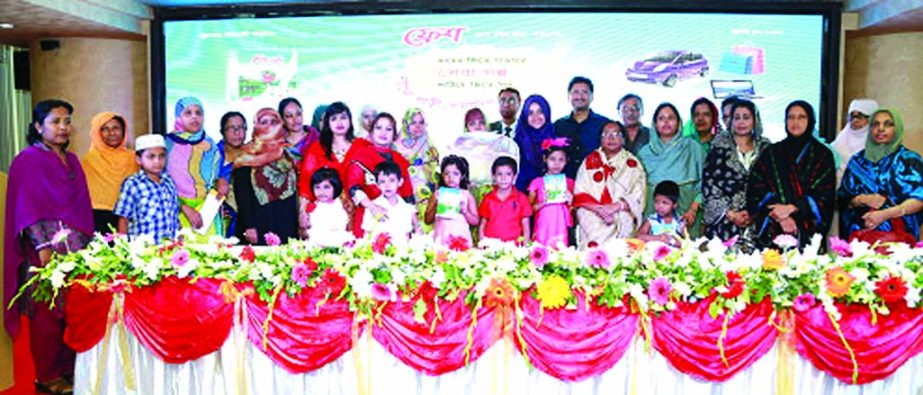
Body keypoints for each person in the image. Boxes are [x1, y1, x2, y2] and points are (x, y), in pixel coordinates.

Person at [4, 99, 93, 395]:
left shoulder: (74, 161)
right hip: (44, 251)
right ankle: (48, 375)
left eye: (67, 121)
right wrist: (43, 246)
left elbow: (81, 208)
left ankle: (70, 370)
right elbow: (26, 207)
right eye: (56, 121)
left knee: (74, 311)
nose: (63, 127)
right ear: (39, 126)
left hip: (76, 249)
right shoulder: (27, 160)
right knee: (47, 315)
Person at [747, 100, 836, 249]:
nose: (795, 122)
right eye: (791, 117)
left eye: (801, 117)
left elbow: (825, 195)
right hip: (773, 230)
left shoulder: (822, 155)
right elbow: (756, 189)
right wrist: (780, 216)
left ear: (811, 121)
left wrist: (793, 207)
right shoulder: (771, 153)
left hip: (807, 233)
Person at [838, 108, 923, 240]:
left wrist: (885, 214)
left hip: (899, 240)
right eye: (875, 124)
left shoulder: (909, 160)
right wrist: (861, 200)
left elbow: (919, 199)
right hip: (859, 237)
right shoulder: (857, 161)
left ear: (897, 129)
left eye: (888, 124)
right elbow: (842, 199)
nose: (881, 129)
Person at [703, 100, 771, 249]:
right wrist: (731, 214)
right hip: (726, 222)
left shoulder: (767, 148)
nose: (741, 122)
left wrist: (753, 212)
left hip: (758, 222)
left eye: (746, 117)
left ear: (755, 120)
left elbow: (773, 185)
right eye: (737, 117)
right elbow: (709, 185)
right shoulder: (718, 147)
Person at [637, 103, 706, 238]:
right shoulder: (645, 152)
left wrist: (693, 208)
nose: (666, 122)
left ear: (679, 122)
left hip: (686, 208)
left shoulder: (693, 148)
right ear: (655, 124)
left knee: (687, 252)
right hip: (654, 207)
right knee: (653, 252)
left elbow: (706, 182)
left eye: (671, 118)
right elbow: (637, 185)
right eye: (661, 118)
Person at [574, 121, 646, 248]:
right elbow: (580, 194)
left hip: (620, 212)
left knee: (624, 219)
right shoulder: (589, 161)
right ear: (600, 139)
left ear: (624, 139)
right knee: (586, 216)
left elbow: (638, 196)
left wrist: (615, 206)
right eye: (605, 134)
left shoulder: (633, 164)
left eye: (616, 134)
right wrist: (599, 210)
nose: (611, 138)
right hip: (593, 211)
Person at [232, 108, 298, 245]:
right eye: (264, 122)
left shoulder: (290, 153)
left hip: (286, 219)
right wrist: (249, 225)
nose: (269, 126)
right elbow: (242, 195)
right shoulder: (246, 154)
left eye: (274, 122)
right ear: (256, 126)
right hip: (257, 221)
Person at [165, 97, 227, 238]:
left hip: (206, 211)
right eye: (188, 113)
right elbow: (160, 182)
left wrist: (221, 181)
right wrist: (183, 206)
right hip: (177, 211)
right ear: (178, 117)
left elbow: (215, 176)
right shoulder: (167, 144)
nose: (194, 117)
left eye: (198, 113)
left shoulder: (211, 146)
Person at [345, 112, 414, 238]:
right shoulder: (360, 155)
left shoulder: (400, 161)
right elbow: (353, 188)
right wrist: (373, 207)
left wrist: (416, 227)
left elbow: (408, 196)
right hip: (369, 216)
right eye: (378, 128)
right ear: (370, 133)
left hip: (397, 219)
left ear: (394, 135)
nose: (383, 132)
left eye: (388, 129)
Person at [297, 102, 356, 237]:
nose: (339, 122)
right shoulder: (316, 149)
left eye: (343, 117)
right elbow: (306, 184)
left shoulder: (362, 146)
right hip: (326, 213)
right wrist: (303, 211)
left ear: (350, 121)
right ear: (327, 123)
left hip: (359, 210)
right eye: (334, 119)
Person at [114, 134, 180, 243]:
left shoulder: (169, 182)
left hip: (169, 249)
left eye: (162, 156)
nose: (157, 161)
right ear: (138, 159)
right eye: (151, 156)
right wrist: (123, 245)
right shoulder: (132, 184)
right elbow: (123, 219)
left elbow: (173, 215)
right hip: (143, 252)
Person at [81, 112, 139, 234]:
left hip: (130, 214)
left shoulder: (134, 158)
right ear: (97, 132)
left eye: (116, 128)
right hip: (98, 215)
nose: (111, 133)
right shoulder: (89, 160)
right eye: (105, 129)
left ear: (123, 130)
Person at [554, 76, 611, 178]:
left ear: (592, 96)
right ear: (569, 96)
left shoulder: (604, 124)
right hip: (565, 183)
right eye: (575, 92)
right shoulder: (558, 125)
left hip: (595, 183)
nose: (580, 96)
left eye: (584, 92)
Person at [394, 108, 440, 227]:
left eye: (421, 122)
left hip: (424, 190)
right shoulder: (395, 145)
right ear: (406, 124)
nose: (418, 126)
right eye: (413, 122)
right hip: (403, 189)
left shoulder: (428, 142)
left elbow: (435, 166)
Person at [361, 161, 421, 248]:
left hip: (401, 253)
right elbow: (367, 234)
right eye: (382, 182)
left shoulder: (407, 208)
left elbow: (407, 235)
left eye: (392, 180)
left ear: (400, 182)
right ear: (377, 184)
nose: (387, 185)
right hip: (378, 255)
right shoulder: (372, 207)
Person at [528, 138, 574, 248]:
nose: (556, 163)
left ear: (566, 161)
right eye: (552, 159)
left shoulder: (570, 182)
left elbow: (575, 211)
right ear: (545, 159)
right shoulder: (537, 182)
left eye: (561, 159)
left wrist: (571, 201)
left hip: (561, 224)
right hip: (543, 224)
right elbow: (528, 210)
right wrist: (542, 203)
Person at [425, 155, 479, 247]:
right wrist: (435, 207)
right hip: (441, 238)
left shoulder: (466, 195)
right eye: (447, 174)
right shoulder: (437, 194)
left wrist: (465, 212)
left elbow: (475, 221)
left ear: (462, 175)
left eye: (455, 173)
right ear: (442, 175)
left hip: (460, 239)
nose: (451, 177)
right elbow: (427, 220)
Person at [478, 156, 532, 243]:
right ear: (494, 176)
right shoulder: (488, 198)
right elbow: (482, 225)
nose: (503, 178)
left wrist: (526, 247)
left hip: (514, 247)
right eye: (499, 174)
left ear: (515, 177)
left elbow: (526, 227)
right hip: (491, 246)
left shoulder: (522, 198)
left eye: (508, 174)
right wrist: (482, 244)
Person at [514, 94, 557, 192]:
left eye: (540, 111)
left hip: (551, 197)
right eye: (530, 113)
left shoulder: (556, 141)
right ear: (525, 116)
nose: (536, 117)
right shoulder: (516, 144)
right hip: (522, 197)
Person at [832, 98, 879, 182]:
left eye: (860, 116)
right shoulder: (840, 140)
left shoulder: (879, 145)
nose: (855, 120)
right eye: (852, 116)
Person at [305, 167, 353, 247]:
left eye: (326, 187)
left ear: (336, 187)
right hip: (316, 243)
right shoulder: (315, 206)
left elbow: (339, 228)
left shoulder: (339, 207)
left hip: (336, 243)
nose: (321, 191)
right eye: (317, 187)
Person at [217, 111, 247, 238]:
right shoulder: (211, 153)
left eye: (241, 128)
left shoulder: (251, 155)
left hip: (244, 219)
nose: (237, 132)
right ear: (222, 131)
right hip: (215, 215)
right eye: (231, 128)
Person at [637, 181, 686, 246]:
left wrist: (673, 241)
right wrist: (658, 238)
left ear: (675, 205)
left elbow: (687, 242)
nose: (659, 206)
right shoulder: (652, 220)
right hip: (653, 254)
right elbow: (639, 237)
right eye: (656, 202)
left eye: (665, 203)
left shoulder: (679, 222)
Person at [278, 97, 320, 167]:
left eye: (298, 114)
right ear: (282, 119)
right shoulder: (277, 145)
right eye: (289, 116)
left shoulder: (317, 139)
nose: (295, 119)